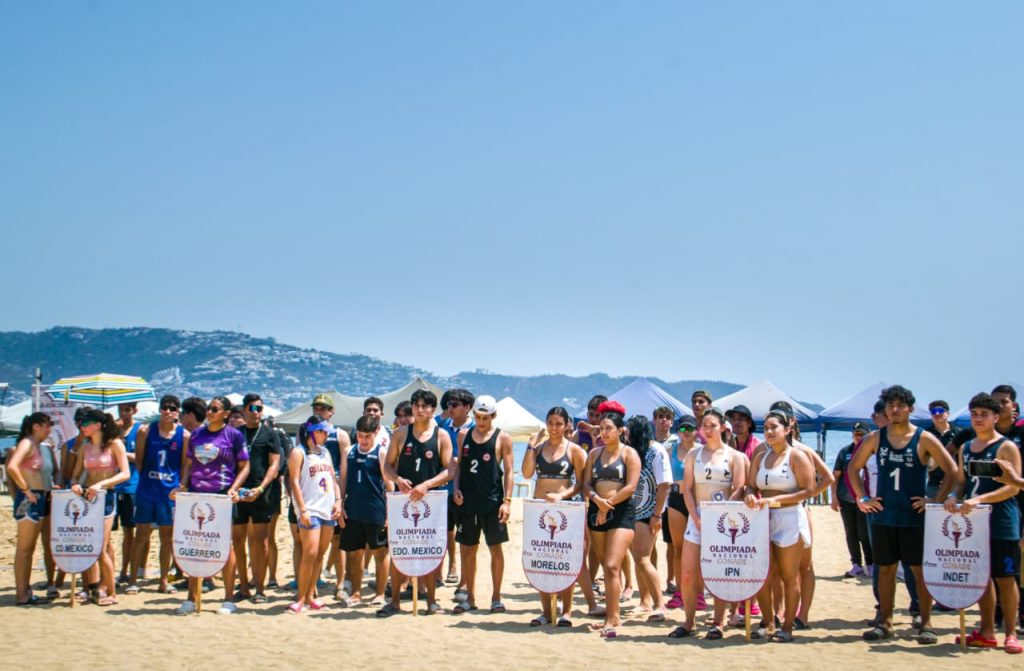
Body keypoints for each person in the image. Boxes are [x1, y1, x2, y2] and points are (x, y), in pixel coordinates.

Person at [846, 385, 957, 644]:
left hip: (913, 517)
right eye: (890, 406)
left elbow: (952, 470)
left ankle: (926, 623)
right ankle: (885, 622)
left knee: (918, 571)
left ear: (910, 408)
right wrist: (862, 498)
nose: (894, 410)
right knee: (884, 570)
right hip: (884, 515)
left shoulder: (923, 438)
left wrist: (934, 501)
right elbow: (853, 468)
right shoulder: (875, 438)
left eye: (900, 405)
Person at [945, 393, 1022, 653]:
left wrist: (981, 499)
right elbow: (961, 481)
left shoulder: (1006, 447)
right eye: (974, 414)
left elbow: (1013, 487)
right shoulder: (966, 447)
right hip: (974, 523)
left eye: (984, 414)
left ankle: (1011, 633)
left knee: (1006, 578)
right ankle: (987, 630)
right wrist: (953, 496)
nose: (978, 419)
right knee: (982, 579)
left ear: (996, 417)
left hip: (1002, 522)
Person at [672, 407, 748, 639]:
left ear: (723, 427)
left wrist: (720, 517)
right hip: (697, 517)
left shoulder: (735, 456)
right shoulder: (693, 455)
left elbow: (739, 489)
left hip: (723, 521)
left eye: (712, 425)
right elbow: (687, 489)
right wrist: (695, 518)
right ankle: (689, 622)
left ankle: (718, 622)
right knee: (687, 574)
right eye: (704, 425)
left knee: (719, 573)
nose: (707, 430)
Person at [521, 407, 600, 625]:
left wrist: (561, 495)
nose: (554, 428)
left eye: (558, 424)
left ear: (566, 425)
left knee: (567, 560)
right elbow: (526, 473)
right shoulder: (538, 448)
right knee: (542, 560)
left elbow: (582, 484)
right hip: (540, 509)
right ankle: (546, 611)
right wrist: (531, 445)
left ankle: (567, 611)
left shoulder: (575, 450)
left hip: (566, 509)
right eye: (550, 423)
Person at [378, 389, 453, 617]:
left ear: (433, 409)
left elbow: (450, 470)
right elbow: (388, 466)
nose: (420, 410)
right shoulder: (400, 434)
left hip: (431, 500)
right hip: (403, 500)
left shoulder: (441, 436)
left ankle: (431, 601)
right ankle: (394, 602)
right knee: (399, 549)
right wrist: (398, 479)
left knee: (429, 551)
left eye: (425, 406)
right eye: (416, 405)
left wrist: (427, 485)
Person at [173, 395, 250, 615]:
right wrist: (183, 485)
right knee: (195, 544)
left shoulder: (234, 435)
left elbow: (245, 465)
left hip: (222, 494)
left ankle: (228, 598)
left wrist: (234, 488)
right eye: (209, 408)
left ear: (226, 413)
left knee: (224, 545)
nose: (209, 412)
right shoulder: (197, 434)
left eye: (215, 409)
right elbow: (189, 463)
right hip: (196, 494)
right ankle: (192, 597)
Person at [745, 409, 817, 642]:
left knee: (789, 575)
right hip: (763, 517)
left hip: (789, 517)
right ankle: (768, 623)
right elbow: (750, 485)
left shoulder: (797, 456)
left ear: (787, 430)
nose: (769, 431)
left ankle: (787, 627)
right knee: (762, 574)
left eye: (774, 427)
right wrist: (749, 495)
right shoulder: (760, 457)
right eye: (766, 428)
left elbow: (808, 490)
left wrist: (776, 499)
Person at [582, 402, 641, 638]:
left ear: (620, 430)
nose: (604, 433)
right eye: (601, 428)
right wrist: (598, 501)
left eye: (609, 428)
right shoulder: (594, 454)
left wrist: (608, 504)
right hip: (596, 510)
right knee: (605, 566)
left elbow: (631, 486)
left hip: (622, 512)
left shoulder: (629, 453)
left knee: (612, 565)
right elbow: (586, 484)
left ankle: (613, 617)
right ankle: (611, 612)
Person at [452, 395, 514, 615]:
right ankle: (469, 598)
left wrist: (507, 502)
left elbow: (509, 472)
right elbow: (459, 466)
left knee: (495, 548)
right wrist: (456, 488)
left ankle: (496, 598)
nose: (481, 422)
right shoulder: (463, 435)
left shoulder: (502, 438)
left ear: (493, 416)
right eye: (478, 417)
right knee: (468, 549)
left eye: (485, 418)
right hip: (467, 503)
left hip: (492, 502)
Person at [127, 395, 190, 595]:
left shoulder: (184, 435)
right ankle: (133, 580)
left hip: (169, 493)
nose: (167, 411)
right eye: (164, 407)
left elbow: (185, 464)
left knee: (167, 537)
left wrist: (180, 485)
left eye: (172, 408)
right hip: (147, 490)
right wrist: (148, 478)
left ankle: (163, 580)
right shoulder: (145, 431)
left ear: (177, 412)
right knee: (141, 535)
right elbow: (139, 460)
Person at [70, 409, 130, 606]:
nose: (82, 426)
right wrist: (75, 485)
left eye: (86, 423)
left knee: (101, 547)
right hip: (88, 497)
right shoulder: (85, 447)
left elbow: (125, 473)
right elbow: (75, 475)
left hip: (106, 496)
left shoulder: (114, 444)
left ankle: (111, 592)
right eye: (81, 423)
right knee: (89, 545)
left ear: (98, 425)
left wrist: (101, 484)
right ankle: (93, 588)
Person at [287, 416, 342, 613]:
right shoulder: (298, 452)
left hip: (327, 508)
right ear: (314, 432)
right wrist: (302, 509)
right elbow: (294, 482)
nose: (326, 435)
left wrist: (338, 500)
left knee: (320, 554)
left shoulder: (325, 452)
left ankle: (311, 595)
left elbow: (333, 479)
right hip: (310, 509)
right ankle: (301, 598)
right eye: (323, 432)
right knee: (309, 553)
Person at [233, 393, 282, 603]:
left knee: (260, 541)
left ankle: (260, 589)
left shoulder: (270, 434)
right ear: (244, 410)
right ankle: (243, 586)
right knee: (238, 540)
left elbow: (274, 464)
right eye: (252, 408)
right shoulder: (236, 433)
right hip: (238, 493)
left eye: (260, 408)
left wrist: (261, 489)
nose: (256, 413)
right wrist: (234, 489)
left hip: (261, 493)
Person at [339, 415, 391, 607]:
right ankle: (356, 593)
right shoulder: (349, 451)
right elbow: (343, 479)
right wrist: (339, 503)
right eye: (360, 435)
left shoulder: (381, 452)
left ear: (376, 432)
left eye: (367, 436)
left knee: (380, 552)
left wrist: (389, 513)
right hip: (353, 509)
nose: (363, 439)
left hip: (375, 510)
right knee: (354, 553)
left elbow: (389, 484)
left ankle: (379, 594)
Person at [626, 414, 671, 621]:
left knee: (643, 558)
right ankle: (644, 602)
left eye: (629, 430)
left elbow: (664, 485)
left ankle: (660, 604)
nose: (626, 434)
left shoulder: (656, 451)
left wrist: (657, 514)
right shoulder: (634, 451)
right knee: (638, 558)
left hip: (649, 512)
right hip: (632, 511)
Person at [7, 412, 55, 605]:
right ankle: (21, 594)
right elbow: (12, 466)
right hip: (30, 498)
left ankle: (25, 590)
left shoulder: (38, 446)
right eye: (47, 425)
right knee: (24, 549)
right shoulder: (27, 443)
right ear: (37, 426)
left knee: (30, 548)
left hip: (40, 496)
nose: (49, 429)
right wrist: (26, 489)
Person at [439, 388, 474, 588]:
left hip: (464, 491)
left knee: (465, 537)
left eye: (454, 405)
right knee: (442, 532)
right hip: (442, 489)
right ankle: (440, 573)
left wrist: (457, 461)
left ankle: (462, 579)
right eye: (448, 404)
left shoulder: (475, 429)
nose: (450, 408)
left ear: (467, 407)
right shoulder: (442, 426)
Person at [665, 415, 699, 612]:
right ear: (678, 430)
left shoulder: (701, 450)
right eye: (683, 428)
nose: (686, 432)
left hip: (695, 500)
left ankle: (698, 593)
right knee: (678, 548)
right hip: (676, 499)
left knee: (698, 549)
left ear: (696, 430)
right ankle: (680, 591)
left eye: (690, 428)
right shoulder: (671, 451)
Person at [831, 422, 873, 578]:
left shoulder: (873, 451)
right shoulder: (845, 452)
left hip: (866, 500)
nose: (858, 436)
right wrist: (834, 497)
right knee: (851, 533)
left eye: (862, 434)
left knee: (864, 534)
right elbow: (835, 476)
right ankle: (856, 564)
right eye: (856, 433)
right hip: (846, 499)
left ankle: (870, 563)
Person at [114, 402, 141, 587]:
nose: (123, 413)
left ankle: (129, 571)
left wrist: (122, 453)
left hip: (132, 486)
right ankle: (120, 571)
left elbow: (141, 457)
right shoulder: (115, 431)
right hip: (113, 486)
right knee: (115, 533)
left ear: (134, 410)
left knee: (131, 531)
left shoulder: (139, 430)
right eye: (121, 409)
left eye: (127, 410)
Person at [652, 406, 679, 594]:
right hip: (652, 495)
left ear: (672, 421)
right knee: (650, 541)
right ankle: (652, 578)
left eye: (667, 417)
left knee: (671, 542)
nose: (664, 420)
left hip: (672, 495)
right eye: (660, 417)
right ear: (654, 419)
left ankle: (671, 580)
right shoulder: (649, 441)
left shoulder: (677, 441)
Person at [925, 400, 961, 500]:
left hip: (956, 485)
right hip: (933, 483)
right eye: (933, 411)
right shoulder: (926, 434)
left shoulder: (959, 433)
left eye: (940, 410)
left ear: (948, 413)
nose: (937, 414)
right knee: (932, 509)